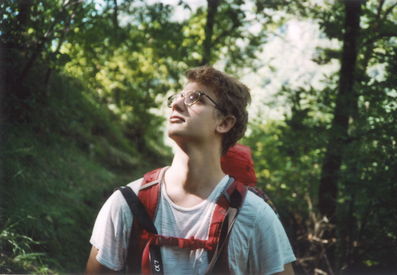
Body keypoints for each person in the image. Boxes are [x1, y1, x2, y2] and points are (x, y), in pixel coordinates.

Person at [85, 66, 296, 274]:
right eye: (176, 97)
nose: (176, 104)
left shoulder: (255, 216)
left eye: (196, 98)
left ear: (224, 122)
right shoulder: (127, 203)